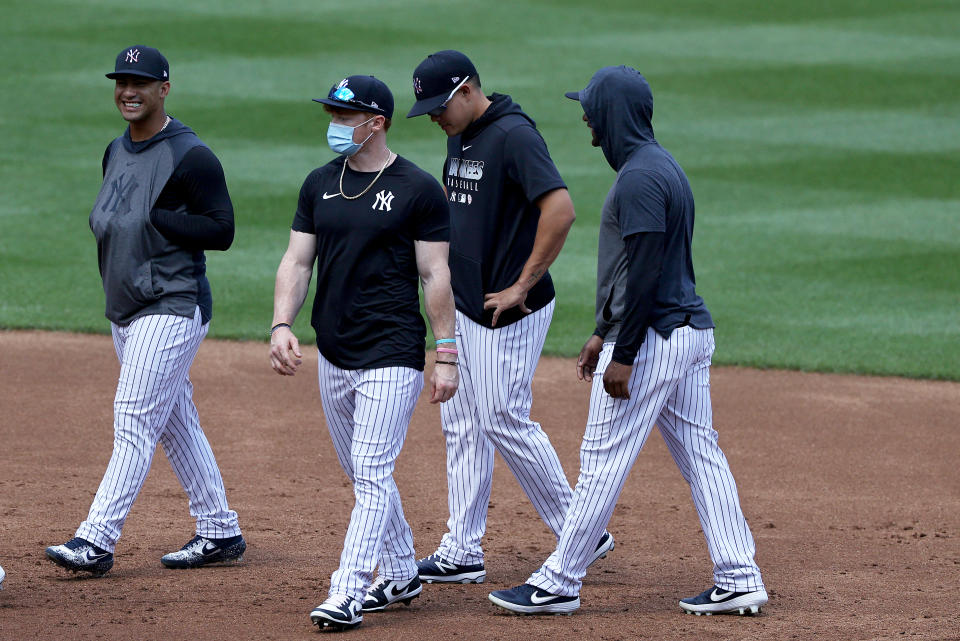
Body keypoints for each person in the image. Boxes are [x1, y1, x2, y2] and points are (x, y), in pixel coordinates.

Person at [488, 65, 767, 616]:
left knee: (601, 459)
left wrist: (626, 350)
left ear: (613, 115)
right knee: (701, 455)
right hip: (688, 332)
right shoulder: (662, 167)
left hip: (653, 339)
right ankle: (739, 573)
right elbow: (642, 268)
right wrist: (600, 330)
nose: (587, 124)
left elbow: (643, 272)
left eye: (591, 112)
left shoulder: (640, 178)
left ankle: (559, 581)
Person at [406, 50, 613, 584]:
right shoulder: (461, 133)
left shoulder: (514, 135)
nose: (434, 117)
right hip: (470, 304)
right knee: (462, 422)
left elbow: (560, 209)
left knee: (501, 415)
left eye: (439, 106)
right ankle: (462, 549)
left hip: (510, 308)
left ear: (469, 91)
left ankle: (580, 530)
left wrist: (522, 283)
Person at [46, 45, 245, 577]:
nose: (128, 91)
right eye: (121, 82)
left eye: (140, 82)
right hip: (126, 310)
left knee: (134, 416)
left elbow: (222, 230)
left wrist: (164, 221)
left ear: (164, 89)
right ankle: (219, 529)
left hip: (173, 304)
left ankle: (96, 539)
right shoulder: (115, 150)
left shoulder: (191, 155)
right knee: (174, 419)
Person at [269, 74, 459, 632]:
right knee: (362, 470)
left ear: (375, 123)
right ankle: (401, 573)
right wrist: (283, 323)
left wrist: (444, 352)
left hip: (393, 349)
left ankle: (348, 589)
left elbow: (435, 273)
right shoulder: (319, 183)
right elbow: (298, 261)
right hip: (334, 349)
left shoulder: (418, 189)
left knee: (372, 470)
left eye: (343, 116)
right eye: (331, 113)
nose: (334, 125)